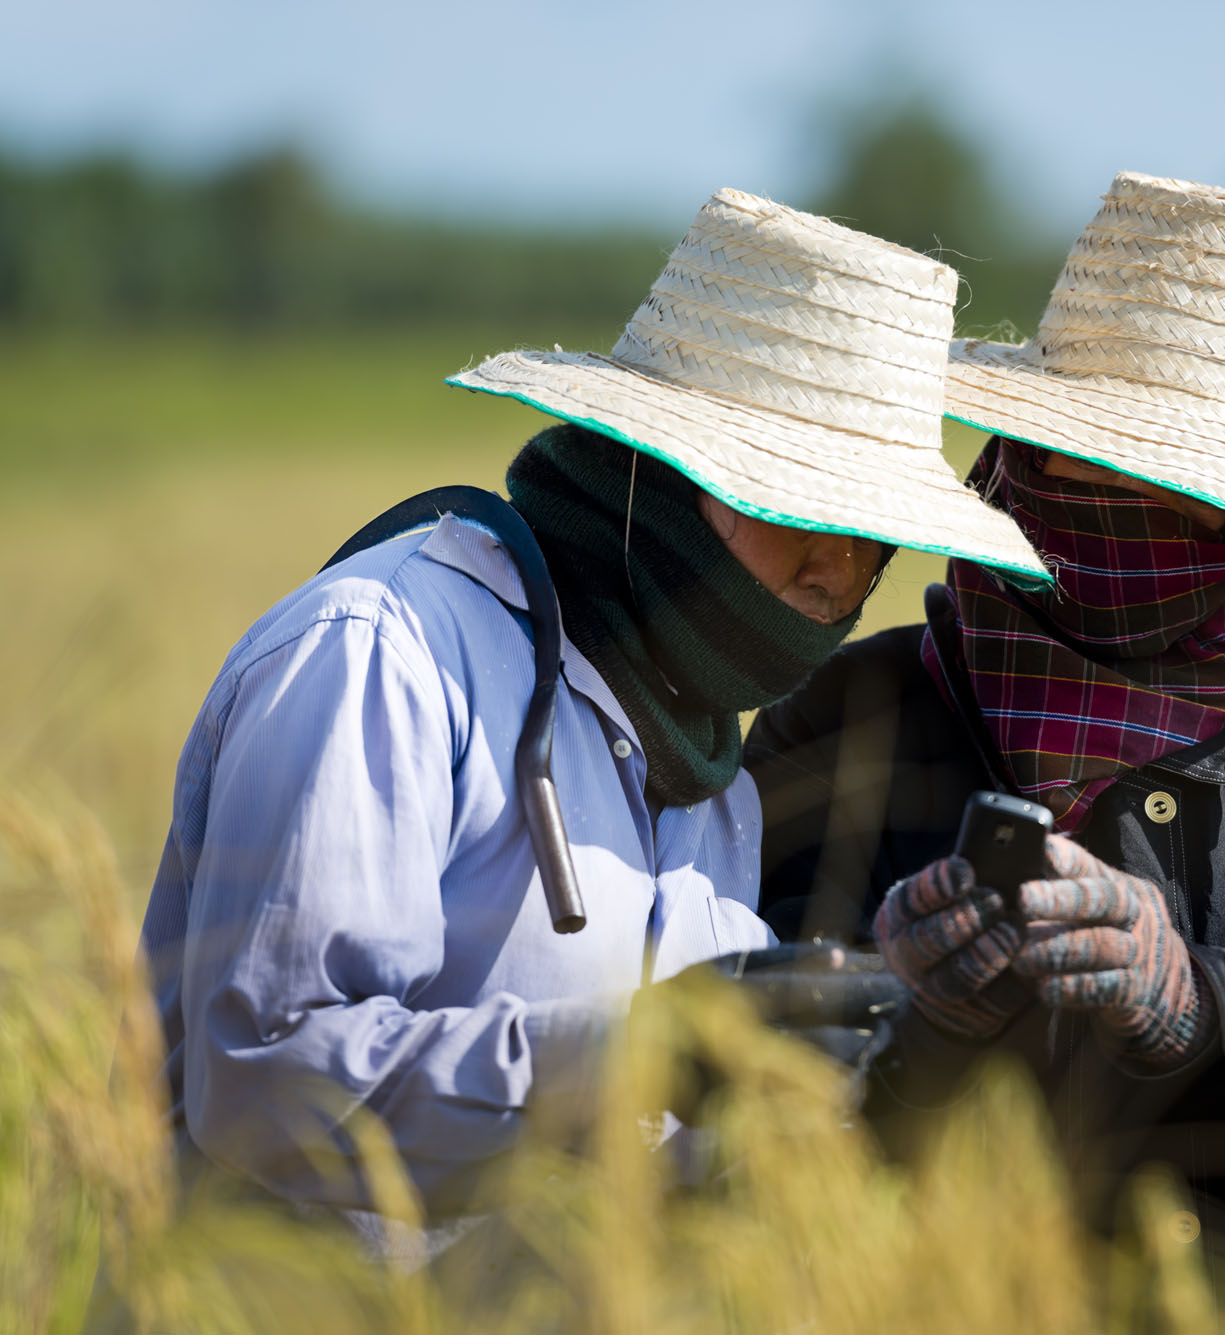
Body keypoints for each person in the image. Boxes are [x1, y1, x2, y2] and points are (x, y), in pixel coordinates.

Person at [135, 188, 1048, 1238]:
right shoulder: (384, 656)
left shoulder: (710, 774)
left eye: (874, 531)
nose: (840, 570)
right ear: (646, 471)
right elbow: (262, 1088)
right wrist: (639, 1054)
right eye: (798, 505)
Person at [748, 174, 1225, 1282]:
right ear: (1023, 452)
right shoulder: (848, 723)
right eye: (1092, 459)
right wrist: (910, 1016)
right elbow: (732, 1083)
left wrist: (1193, 1003)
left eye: (1177, 487)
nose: (1122, 506)